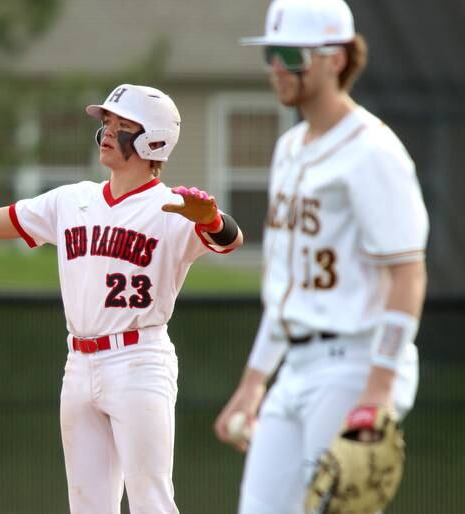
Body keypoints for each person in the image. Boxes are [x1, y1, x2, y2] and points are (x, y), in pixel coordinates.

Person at [0, 83, 243, 514]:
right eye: (106, 122)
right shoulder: (73, 200)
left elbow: (229, 240)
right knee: (87, 506)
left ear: (154, 139)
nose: (107, 132)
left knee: (151, 501)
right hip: (80, 362)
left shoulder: (173, 207)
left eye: (123, 125)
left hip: (139, 360)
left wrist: (213, 219)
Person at [213, 0, 429, 513]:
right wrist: (252, 383)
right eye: (271, 54)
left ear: (335, 58)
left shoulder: (373, 150)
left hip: (353, 362)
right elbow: (287, 284)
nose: (276, 67)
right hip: (296, 365)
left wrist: (377, 390)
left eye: (291, 54)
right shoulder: (288, 147)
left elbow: (409, 274)